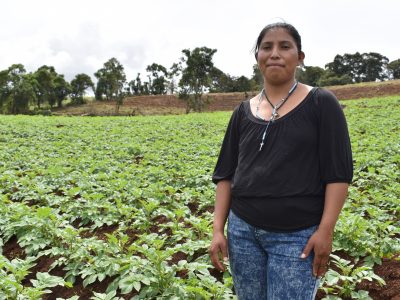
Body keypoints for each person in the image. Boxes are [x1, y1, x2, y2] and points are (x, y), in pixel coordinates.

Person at [209, 22, 353, 300]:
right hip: (242, 233)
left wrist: (325, 231)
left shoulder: (321, 103)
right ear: (258, 57)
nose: (275, 53)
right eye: (267, 47)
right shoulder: (242, 111)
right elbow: (226, 174)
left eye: (285, 46)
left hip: (296, 236)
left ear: (299, 57)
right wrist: (218, 229)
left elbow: (338, 175)